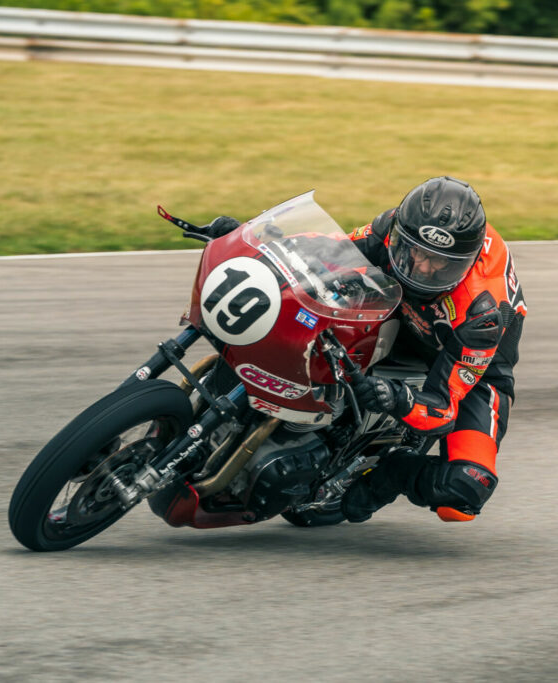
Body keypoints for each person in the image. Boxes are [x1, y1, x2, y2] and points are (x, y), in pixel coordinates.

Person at [203, 176, 526, 523]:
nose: (424, 268)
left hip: (468, 365)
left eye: (442, 264)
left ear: (466, 262)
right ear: (403, 232)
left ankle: (389, 474)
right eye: (416, 252)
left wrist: (396, 398)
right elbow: (332, 247)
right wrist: (253, 238)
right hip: (400, 306)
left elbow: (444, 406)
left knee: (463, 492)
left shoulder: (482, 315)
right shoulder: (396, 224)